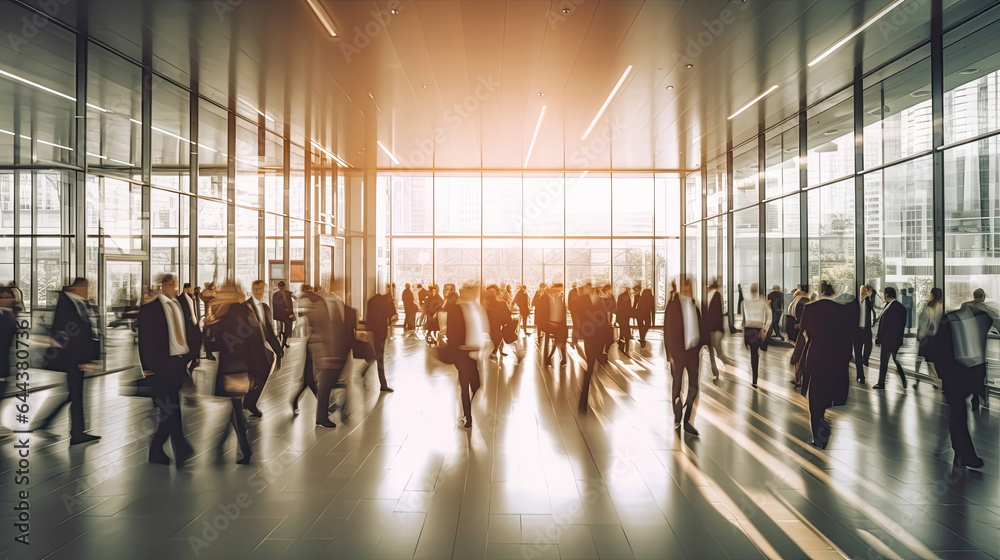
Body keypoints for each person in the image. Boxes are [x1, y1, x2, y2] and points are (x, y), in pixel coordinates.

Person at [206, 283, 271, 464]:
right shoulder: (244, 311)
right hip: (242, 370)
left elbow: (214, 345)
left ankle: (243, 450)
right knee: (234, 409)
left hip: (233, 371)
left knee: (236, 410)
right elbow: (256, 343)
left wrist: (210, 325)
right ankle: (222, 446)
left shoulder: (226, 314)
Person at [137, 273, 193, 466]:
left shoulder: (178, 305)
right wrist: (147, 367)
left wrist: (188, 357)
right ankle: (178, 446)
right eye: (169, 284)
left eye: (174, 284)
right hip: (162, 364)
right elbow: (144, 340)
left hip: (178, 362)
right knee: (170, 408)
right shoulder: (150, 309)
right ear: (161, 286)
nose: (172, 287)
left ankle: (164, 449)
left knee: (171, 407)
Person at [36, 278, 101, 444]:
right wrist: (81, 359)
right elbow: (66, 334)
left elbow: (88, 332)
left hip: (77, 357)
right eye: (86, 286)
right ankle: (77, 433)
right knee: (75, 395)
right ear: (77, 287)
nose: (88, 290)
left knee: (73, 395)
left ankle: (51, 424)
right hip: (73, 358)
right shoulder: (67, 304)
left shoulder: (80, 303)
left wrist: (91, 357)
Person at [926, 305, 990, 469]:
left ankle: (961, 454)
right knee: (959, 415)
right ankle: (966, 455)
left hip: (960, 376)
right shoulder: (955, 321)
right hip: (956, 376)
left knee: (958, 415)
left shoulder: (957, 320)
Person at [791, 281, 852, 449]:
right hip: (836, 357)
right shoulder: (842, 309)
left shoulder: (810, 308)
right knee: (829, 391)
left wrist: (796, 357)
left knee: (814, 397)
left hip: (816, 354)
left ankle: (818, 434)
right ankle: (824, 417)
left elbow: (803, 334)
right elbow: (847, 336)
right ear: (833, 293)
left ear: (820, 291)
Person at [663, 275, 703, 436]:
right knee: (677, 385)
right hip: (678, 353)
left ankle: (687, 421)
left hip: (693, 353)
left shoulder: (695, 305)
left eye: (691, 287)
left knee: (694, 387)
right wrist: (669, 353)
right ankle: (677, 415)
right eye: (686, 287)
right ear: (681, 288)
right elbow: (667, 330)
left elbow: (701, 327)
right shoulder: (673, 305)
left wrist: (703, 346)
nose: (689, 290)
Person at [445, 282, 486, 428]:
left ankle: (470, 412)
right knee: (465, 384)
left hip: (472, 352)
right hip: (462, 352)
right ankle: (467, 417)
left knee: (476, 385)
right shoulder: (456, 309)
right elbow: (451, 333)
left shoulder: (475, 308)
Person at [243, 280, 283, 416]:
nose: (260, 292)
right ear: (253, 289)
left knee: (262, 374)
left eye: (262, 289)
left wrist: (278, 349)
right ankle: (249, 403)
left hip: (261, 349)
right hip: (248, 350)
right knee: (255, 375)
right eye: (257, 289)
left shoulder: (265, 307)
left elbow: (269, 331)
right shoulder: (244, 307)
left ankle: (248, 402)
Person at [961, 288, 998, 408]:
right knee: (980, 373)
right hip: (980, 347)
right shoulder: (988, 310)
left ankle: (973, 396)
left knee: (968, 371)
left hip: (966, 346)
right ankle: (980, 397)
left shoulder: (965, 306)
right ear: (984, 297)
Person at [577, 283, 610, 412]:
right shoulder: (592, 306)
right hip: (592, 339)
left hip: (594, 340)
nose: (593, 296)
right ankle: (584, 398)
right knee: (590, 366)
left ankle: (583, 400)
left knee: (590, 366)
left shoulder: (598, 306)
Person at [873, 287, 907, 390]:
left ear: (886, 295)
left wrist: (879, 339)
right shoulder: (901, 307)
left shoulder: (889, 307)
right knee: (894, 360)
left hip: (888, 340)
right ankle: (903, 380)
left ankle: (881, 383)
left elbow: (884, 325)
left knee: (884, 361)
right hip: (895, 339)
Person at [365, 287, 396, 393]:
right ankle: (383, 384)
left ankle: (364, 378)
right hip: (380, 332)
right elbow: (391, 315)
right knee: (379, 357)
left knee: (373, 355)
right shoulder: (386, 300)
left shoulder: (371, 300)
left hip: (372, 331)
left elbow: (368, 319)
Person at [741, 284, 771, 388]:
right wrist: (765, 329)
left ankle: (754, 377)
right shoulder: (762, 302)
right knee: (755, 354)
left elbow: (743, 320)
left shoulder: (745, 302)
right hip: (758, 328)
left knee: (752, 354)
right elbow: (770, 316)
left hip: (748, 328)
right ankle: (754, 379)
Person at [914, 287, 943, 380]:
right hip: (936, 337)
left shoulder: (928, 307)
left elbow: (922, 322)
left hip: (926, 337)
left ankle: (918, 376)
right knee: (931, 359)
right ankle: (935, 378)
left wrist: (920, 335)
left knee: (920, 358)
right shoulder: (941, 307)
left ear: (932, 295)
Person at [702, 279, 729, 379]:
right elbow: (719, 313)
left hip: (709, 328)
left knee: (712, 352)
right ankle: (725, 369)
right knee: (719, 350)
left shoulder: (706, 296)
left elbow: (705, 314)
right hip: (716, 328)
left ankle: (715, 371)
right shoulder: (717, 295)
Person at [177, 282, 203, 376]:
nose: (192, 291)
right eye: (191, 290)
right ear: (185, 290)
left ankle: (192, 362)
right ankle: (184, 365)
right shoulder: (180, 299)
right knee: (191, 346)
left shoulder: (193, 298)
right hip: (188, 326)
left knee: (199, 341)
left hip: (194, 324)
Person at [853, 285, 876, 384]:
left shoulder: (857, 302)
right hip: (866, 332)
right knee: (865, 351)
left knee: (858, 354)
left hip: (857, 332)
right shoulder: (868, 301)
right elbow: (874, 312)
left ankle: (860, 375)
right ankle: (864, 363)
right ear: (867, 291)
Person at [485, 285, 512, 360]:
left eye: (492, 292)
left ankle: (497, 351)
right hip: (486, 329)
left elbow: (507, 318)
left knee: (497, 339)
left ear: (496, 292)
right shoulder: (484, 304)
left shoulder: (501, 304)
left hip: (495, 328)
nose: (490, 293)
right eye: (489, 291)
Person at [545, 284, 568, 367]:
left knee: (559, 341)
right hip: (559, 323)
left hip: (558, 323)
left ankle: (562, 360)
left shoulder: (555, 297)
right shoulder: (557, 297)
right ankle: (552, 358)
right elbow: (557, 311)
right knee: (559, 341)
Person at [272, 280, 296, 349]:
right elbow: (289, 305)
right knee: (287, 329)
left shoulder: (275, 294)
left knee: (281, 328)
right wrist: (291, 313)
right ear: (284, 286)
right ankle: (283, 342)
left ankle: (281, 341)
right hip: (286, 315)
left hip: (278, 315)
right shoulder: (287, 293)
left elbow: (275, 305)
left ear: (278, 286)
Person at [615, 286, 635, 356]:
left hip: (622, 315)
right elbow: (626, 307)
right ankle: (624, 340)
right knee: (624, 327)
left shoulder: (622, 295)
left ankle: (622, 340)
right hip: (624, 315)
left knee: (623, 328)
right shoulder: (626, 296)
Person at [635, 284, 655, 348]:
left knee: (641, 326)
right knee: (647, 325)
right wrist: (653, 320)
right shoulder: (651, 298)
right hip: (647, 314)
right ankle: (643, 337)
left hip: (639, 314)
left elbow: (637, 307)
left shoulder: (641, 298)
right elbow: (652, 308)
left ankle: (642, 337)